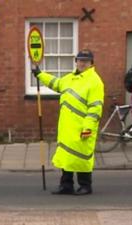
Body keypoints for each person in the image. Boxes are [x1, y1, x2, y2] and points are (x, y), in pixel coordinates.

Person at [32, 49, 104, 195]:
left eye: (86, 61)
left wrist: (88, 127)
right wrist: (40, 74)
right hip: (67, 126)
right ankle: (66, 185)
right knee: (67, 155)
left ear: (91, 63)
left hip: (82, 126)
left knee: (82, 156)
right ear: (76, 61)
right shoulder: (70, 78)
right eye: (80, 60)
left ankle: (85, 185)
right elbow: (56, 83)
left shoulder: (95, 81)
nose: (82, 63)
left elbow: (95, 108)